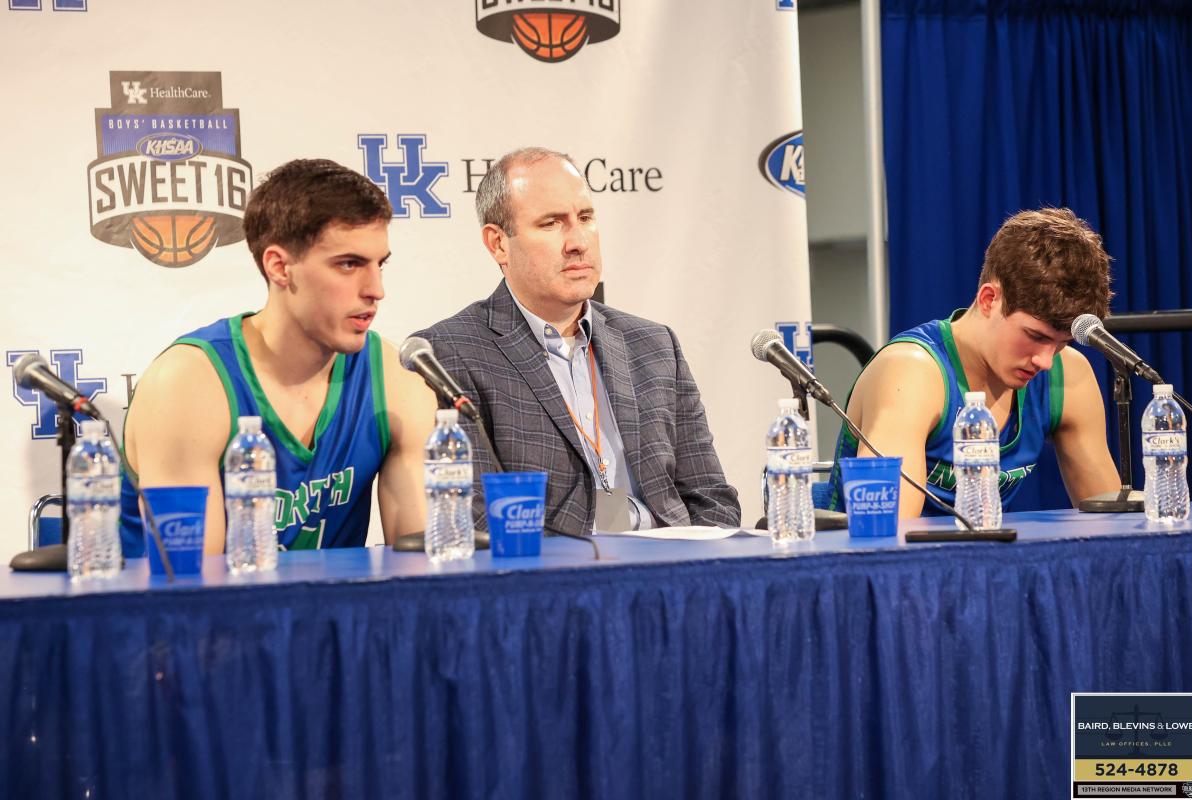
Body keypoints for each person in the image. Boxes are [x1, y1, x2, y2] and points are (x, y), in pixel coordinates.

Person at [414, 147, 739, 536]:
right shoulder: (450, 354)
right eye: (551, 223)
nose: (578, 242)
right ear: (498, 244)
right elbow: (479, 519)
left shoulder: (654, 344)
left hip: (674, 562)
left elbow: (713, 498)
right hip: (558, 569)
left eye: (585, 218)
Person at [119, 159, 437, 554]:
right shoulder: (187, 383)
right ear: (279, 267)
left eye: (380, 264)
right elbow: (192, 581)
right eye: (349, 264)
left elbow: (424, 563)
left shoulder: (396, 380)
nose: (376, 289)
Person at [828, 207, 1121, 517]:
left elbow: (1110, 525)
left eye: (1062, 343)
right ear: (989, 300)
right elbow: (888, 532)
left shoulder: (1068, 375)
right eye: (1035, 336)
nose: (1046, 361)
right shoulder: (910, 373)